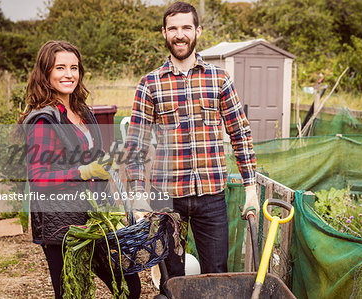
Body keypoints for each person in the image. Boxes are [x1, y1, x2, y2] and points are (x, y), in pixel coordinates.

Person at [126, 1, 259, 279]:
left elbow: (240, 133)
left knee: (217, 273)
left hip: (211, 195)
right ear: (164, 33)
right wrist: (138, 194)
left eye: (186, 27)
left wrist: (250, 187)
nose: (180, 34)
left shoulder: (218, 78)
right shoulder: (150, 83)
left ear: (198, 31)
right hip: (167, 198)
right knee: (172, 276)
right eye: (173, 28)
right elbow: (136, 145)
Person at [18, 40, 140, 299]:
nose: (69, 74)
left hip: (94, 219)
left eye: (74, 67)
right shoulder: (44, 119)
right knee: (72, 293)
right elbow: (39, 177)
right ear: (46, 72)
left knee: (130, 286)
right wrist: (84, 171)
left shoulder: (82, 110)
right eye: (60, 67)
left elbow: (90, 156)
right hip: (62, 226)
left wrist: (106, 162)